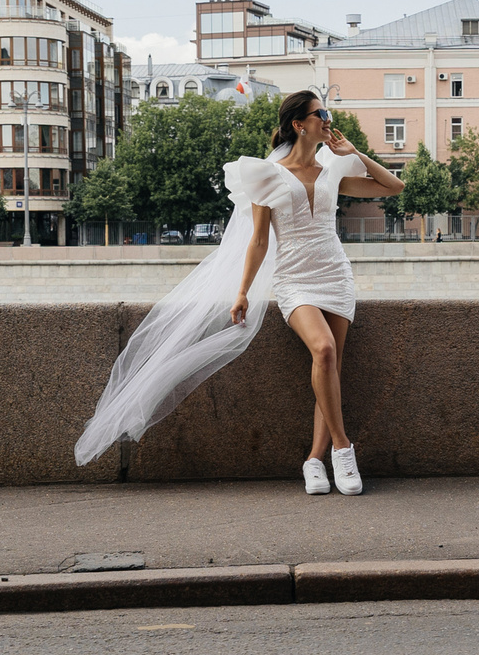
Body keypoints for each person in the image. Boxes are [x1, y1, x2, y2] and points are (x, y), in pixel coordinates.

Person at [73, 90, 403, 493]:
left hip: (335, 275)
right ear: (300, 124)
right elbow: (259, 241)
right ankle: (343, 448)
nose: (329, 120)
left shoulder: (333, 170)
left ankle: (315, 462)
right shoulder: (268, 175)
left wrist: (356, 152)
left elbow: (393, 186)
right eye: (322, 114)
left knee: (330, 369)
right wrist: (242, 291)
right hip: (295, 279)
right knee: (324, 350)